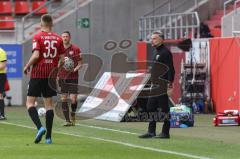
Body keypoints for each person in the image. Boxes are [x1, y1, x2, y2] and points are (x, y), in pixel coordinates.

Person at [23, 14, 64, 144]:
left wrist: (27, 65)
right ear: (52, 24)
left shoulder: (38, 36)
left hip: (37, 73)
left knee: (30, 103)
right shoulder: (58, 39)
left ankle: (40, 128)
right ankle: (49, 138)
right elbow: (62, 58)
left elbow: (36, 55)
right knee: (49, 105)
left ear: (41, 24)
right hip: (50, 74)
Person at [139, 31, 175, 139]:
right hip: (154, 85)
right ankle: (151, 131)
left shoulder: (166, 52)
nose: (152, 40)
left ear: (161, 40)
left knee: (164, 110)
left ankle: (165, 132)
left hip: (162, 85)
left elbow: (171, 69)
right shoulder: (156, 52)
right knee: (150, 107)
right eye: (152, 38)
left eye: (154, 38)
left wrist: (170, 84)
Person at [58, 31, 82, 126]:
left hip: (73, 77)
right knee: (64, 98)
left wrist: (74, 69)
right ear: (61, 38)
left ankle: (73, 116)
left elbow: (80, 64)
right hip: (62, 77)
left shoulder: (76, 49)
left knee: (73, 99)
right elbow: (57, 64)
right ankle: (67, 121)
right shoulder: (58, 50)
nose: (65, 38)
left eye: (66, 36)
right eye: (63, 36)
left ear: (70, 37)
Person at [0, 48, 7, 120]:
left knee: (0, 95)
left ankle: (2, 114)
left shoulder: (2, 52)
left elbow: (2, 66)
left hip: (0, 75)